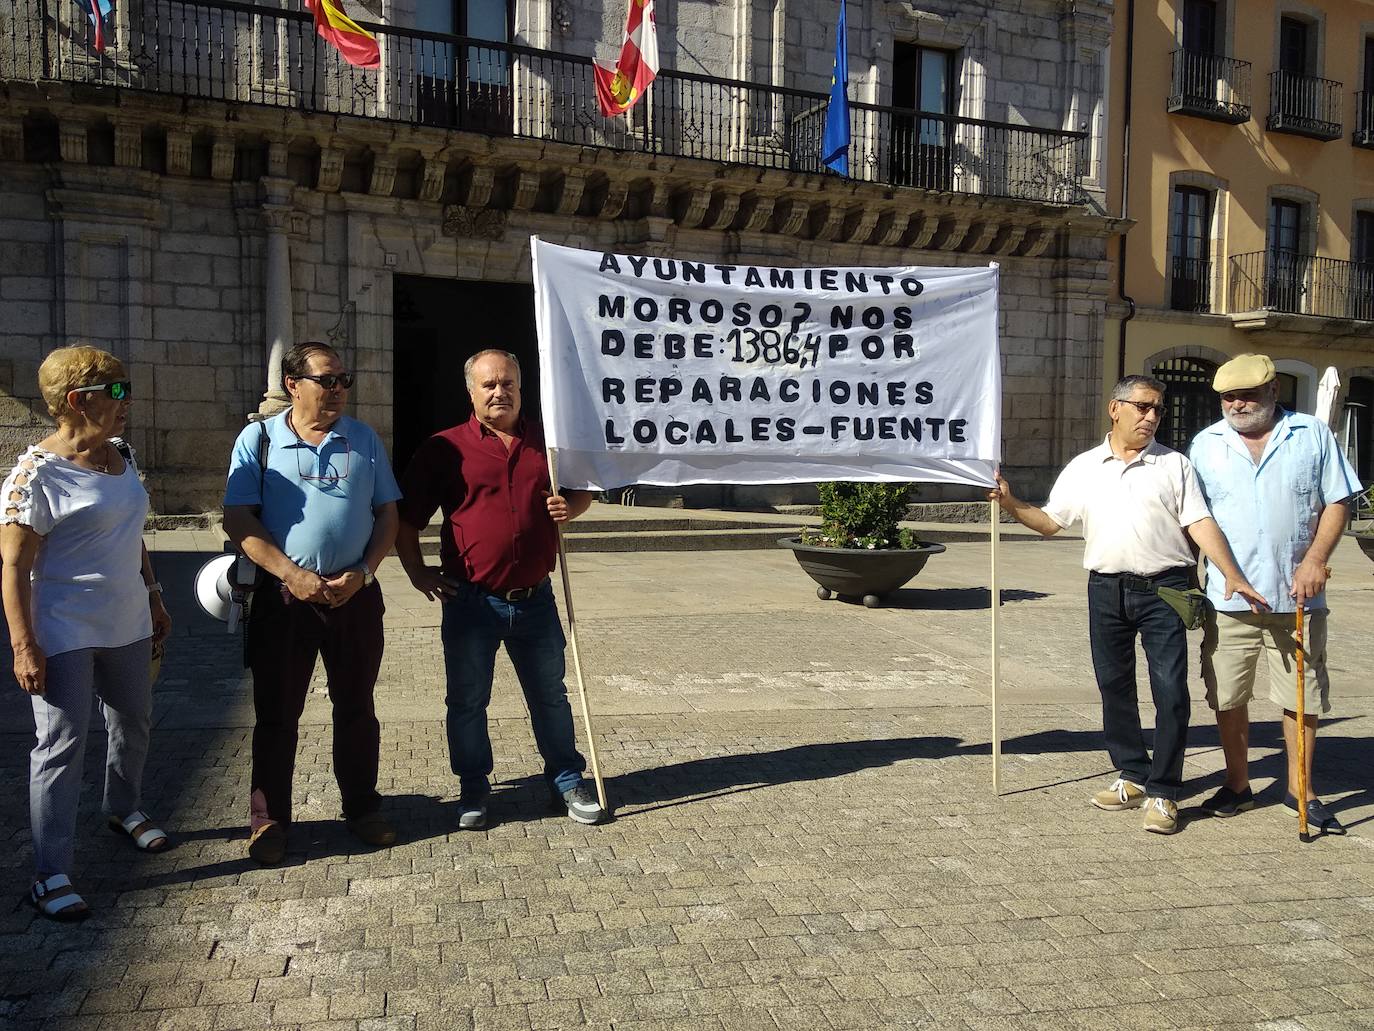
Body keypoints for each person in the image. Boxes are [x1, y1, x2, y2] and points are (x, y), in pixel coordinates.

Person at [990, 374, 1266, 835]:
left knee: (1170, 691)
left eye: (1157, 408)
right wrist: (1009, 501)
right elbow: (1051, 523)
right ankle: (1133, 774)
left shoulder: (1174, 464)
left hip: (1166, 590)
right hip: (1106, 589)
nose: (1151, 416)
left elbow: (1199, 522)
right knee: (1114, 686)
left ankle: (1165, 790)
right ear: (1115, 409)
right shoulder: (1085, 467)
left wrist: (1232, 574)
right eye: (1142, 407)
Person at [394, 349, 605, 829]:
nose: (499, 392)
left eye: (508, 383)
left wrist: (571, 508)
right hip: (470, 602)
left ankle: (567, 780)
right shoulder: (443, 448)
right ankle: (473, 788)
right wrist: (417, 573)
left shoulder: (549, 445)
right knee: (467, 701)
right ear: (470, 391)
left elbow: (583, 490)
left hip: (535, 600)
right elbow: (406, 521)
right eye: (488, 384)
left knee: (550, 696)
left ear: (521, 388)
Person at [1, 345, 172, 921]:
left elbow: (132, 535)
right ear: (77, 400)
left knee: (133, 720)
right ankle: (50, 872)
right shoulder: (34, 477)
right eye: (116, 391)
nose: (128, 401)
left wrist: (154, 594)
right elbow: (13, 567)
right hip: (64, 628)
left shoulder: (121, 455)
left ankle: (124, 808)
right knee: (61, 746)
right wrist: (23, 645)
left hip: (127, 620)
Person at [222, 341, 401, 864]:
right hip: (284, 600)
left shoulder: (363, 438)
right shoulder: (259, 439)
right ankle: (269, 820)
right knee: (277, 714)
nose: (338, 390)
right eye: (327, 380)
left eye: (344, 380)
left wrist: (364, 572)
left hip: (355, 596)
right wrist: (291, 574)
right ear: (292, 385)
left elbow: (388, 514)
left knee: (357, 708)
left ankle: (362, 808)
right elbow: (238, 519)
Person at [1189, 354, 1361, 833]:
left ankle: (1300, 791)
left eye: (1247, 395)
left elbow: (1338, 501)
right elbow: (1193, 516)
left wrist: (1316, 560)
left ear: (1273, 391)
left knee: (1302, 697)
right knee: (1227, 695)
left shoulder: (1312, 434)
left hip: (1297, 596)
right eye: (1228, 397)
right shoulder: (1206, 444)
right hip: (1229, 600)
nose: (1237, 405)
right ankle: (1238, 784)